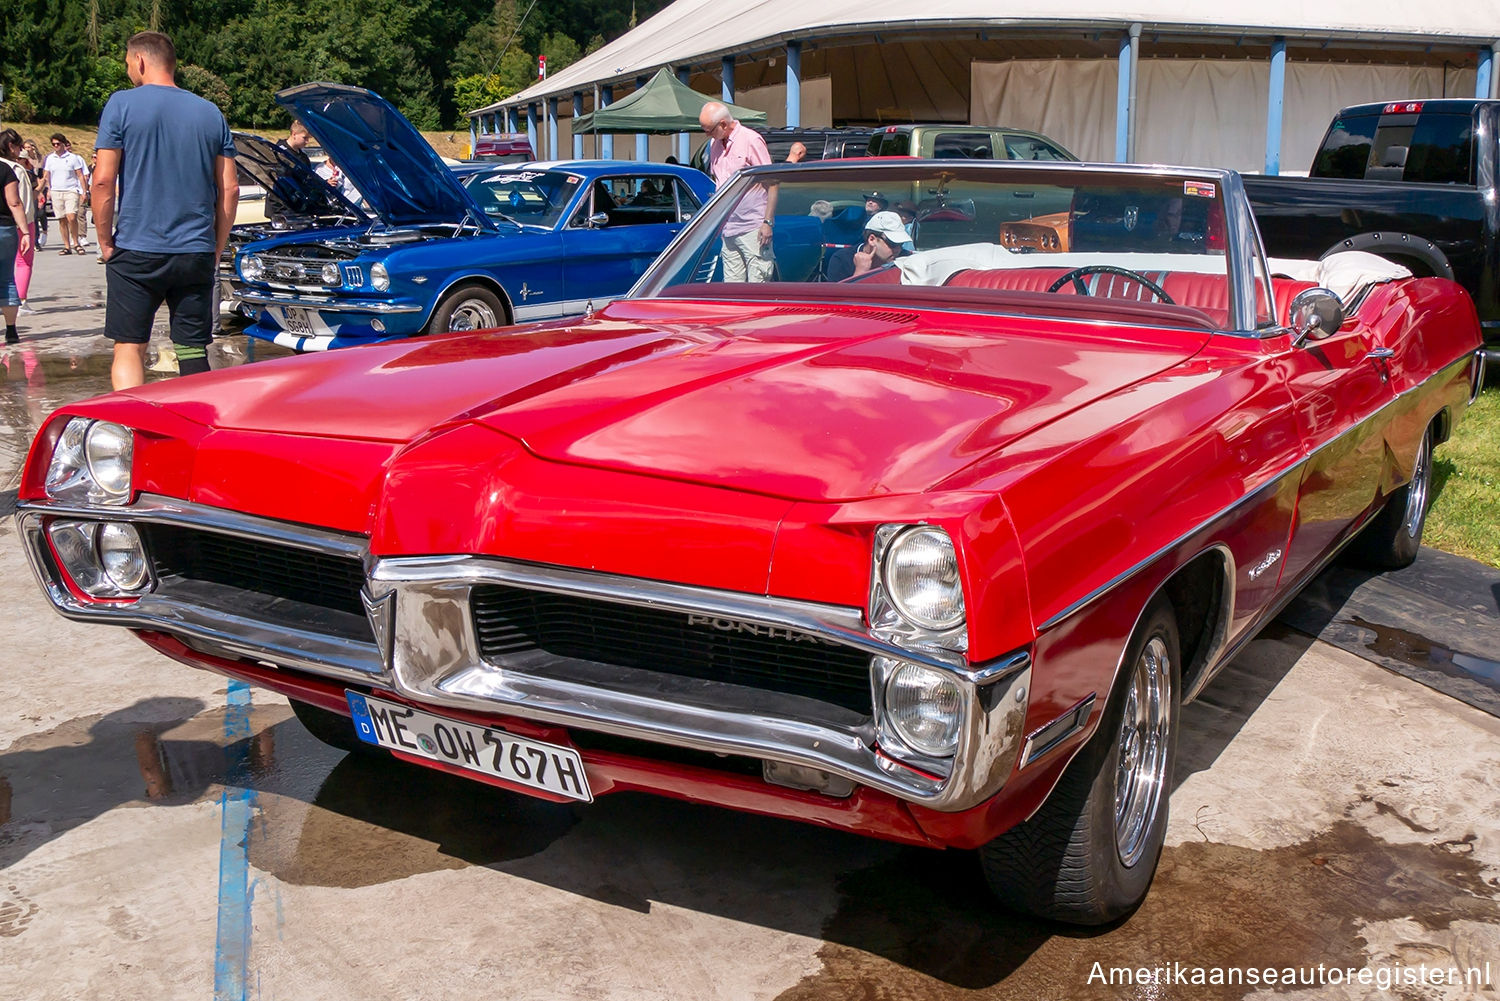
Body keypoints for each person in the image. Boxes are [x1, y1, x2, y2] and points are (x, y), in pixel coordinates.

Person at [93, 30, 238, 389]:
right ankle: (198, 430)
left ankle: (134, 430)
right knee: (191, 350)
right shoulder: (210, 112)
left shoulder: (121, 104)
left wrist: (104, 242)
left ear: (140, 60)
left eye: (128, 64)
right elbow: (230, 189)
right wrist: (216, 245)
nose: (129, 70)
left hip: (136, 248)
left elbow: (102, 182)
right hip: (195, 250)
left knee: (129, 347)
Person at [698, 101, 776, 282]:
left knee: (758, 287)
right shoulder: (714, 144)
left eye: (709, 130)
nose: (707, 134)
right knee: (732, 289)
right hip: (729, 227)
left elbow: (772, 182)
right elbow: (719, 182)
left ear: (723, 124)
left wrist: (767, 222)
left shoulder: (751, 140)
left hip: (753, 227)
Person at [0, 130, 38, 315]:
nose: (20, 151)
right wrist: (26, 227)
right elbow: (19, 200)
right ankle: (21, 300)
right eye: (19, 147)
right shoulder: (15, 170)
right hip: (17, 220)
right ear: (11, 147)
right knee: (23, 262)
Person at [1, 149, 33, 344]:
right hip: (4, 229)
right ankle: (11, 330)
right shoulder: (5, 169)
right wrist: (26, 231)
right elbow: (14, 202)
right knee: (7, 279)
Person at [823, 210, 911, 282]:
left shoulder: (905, 259)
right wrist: (860, 272)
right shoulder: (842, 259)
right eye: (893, 243)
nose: (898, 249)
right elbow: (840, 300)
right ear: (872, 239)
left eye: (901, 244)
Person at [41, 133, 88, 255]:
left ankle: (76, 243)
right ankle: (67, 246)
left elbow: (80, 175)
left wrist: (84, 191)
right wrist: (47, 190)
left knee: (72, 217)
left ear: (63, 144)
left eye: (58, 144)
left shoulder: (73, 158)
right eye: (53, 144)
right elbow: (46, 176)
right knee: (61, 219)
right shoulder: (50, 158)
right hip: (56, 191)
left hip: (71, 190)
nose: (56, 146)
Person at [21, 140, 48, 248]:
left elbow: (43, 175)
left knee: (40, 213)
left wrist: (42, 190)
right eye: (25, 147)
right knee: (33, 215)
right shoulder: (22, 162)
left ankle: (43, 232)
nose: (27, 149)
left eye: (29, 147)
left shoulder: (40, 159)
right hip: (29, 187)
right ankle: (35, 241)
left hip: (39, 186)